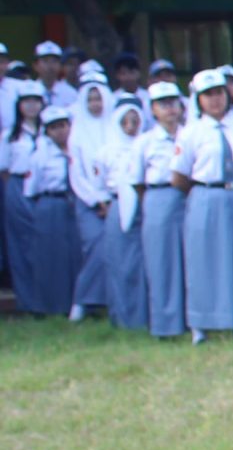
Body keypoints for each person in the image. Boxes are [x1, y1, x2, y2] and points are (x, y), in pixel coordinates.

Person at [170, 69, 233, 342]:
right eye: (208, 95)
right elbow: (179, 176)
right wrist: (206, 191)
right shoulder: (192, 132)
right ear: (198, 100)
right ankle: (201, 325)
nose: (215, 100)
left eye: (218, 93)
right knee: (203, 260)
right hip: (206, 195)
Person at [14, 102, 79, 316]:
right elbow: (30, 189)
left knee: (74, 254)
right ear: (47, 131)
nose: (60, 131)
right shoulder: (40, 154)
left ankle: (75, 303)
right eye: (54, 127)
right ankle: (49, 305)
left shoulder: (77, 149)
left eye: (63, 125)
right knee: (50, 257)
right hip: (50, 203)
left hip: (74, 203)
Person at [136, 82, 188, 338]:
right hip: (157, 196)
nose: (169, 109)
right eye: (162, 104)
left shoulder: (190, 134)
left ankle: (193, 321)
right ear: (153, 109)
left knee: (191, 261)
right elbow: (136, 182)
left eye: (173, 102)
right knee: (162, 263)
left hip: (188, 196)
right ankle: (165, 325)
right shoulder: (145, 141)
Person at [96, 94, 151, 330]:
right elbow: (98, 182)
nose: (130, 127)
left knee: (143, 263)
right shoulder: (106, 151)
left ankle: (143, 317)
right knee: (119, 263)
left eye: (135, 121)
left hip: (144, 205)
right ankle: (122, 317)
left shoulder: (147, 145)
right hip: (118, 207)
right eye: (125, 122)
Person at [64, 75, 115, 321]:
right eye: (91, 100)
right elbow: (77, 175)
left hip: (115, 199)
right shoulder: (77, 133)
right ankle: (82, 299)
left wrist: (110, 198)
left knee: (115, 248)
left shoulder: (114, 126)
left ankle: (107, 301)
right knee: (97, 244)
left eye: (99, 99)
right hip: (88, 203)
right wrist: (97, 200)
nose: (96, 104)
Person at [3, 89, 47, 305]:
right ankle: (27, 299)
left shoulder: (48, 131)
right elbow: (4, 169)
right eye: (26, 102)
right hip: (17, 186)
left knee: (44, 241)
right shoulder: (10, 135)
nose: (31, 106)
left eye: (35, 101)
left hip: (44, 188)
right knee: (20, 243)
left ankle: (46, 297)